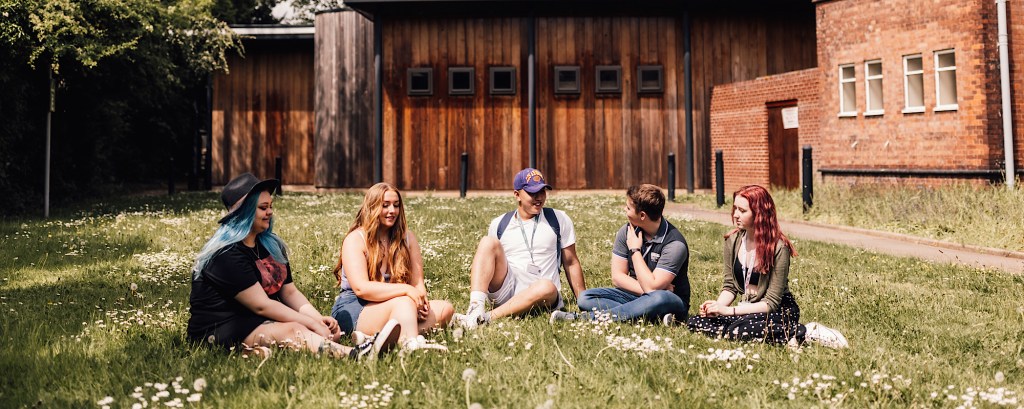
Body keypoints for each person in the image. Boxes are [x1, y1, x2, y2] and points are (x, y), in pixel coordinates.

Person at [187, 173, 400, 360]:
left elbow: (289, 291)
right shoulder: (226, 254)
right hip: (218, 328)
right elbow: (262, 305)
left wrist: (318, 319)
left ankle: (251, 352)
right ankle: (356, 355)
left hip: (256, 321)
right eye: (263, 208)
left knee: (326, 331)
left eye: (271, 206)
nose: (270, 212)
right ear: (244, 213)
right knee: (295, 330)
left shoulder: (269, 246)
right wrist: (309, 324)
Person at [686, 185, 847, 348]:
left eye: (742, 211)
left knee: (741, 329)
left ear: (758, 214)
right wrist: (717, 307)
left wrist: (729, 312)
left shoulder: (778, 247)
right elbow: (730, 286)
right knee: (696, 322)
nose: (735, 215)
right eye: (735, 208)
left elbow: (771, 302)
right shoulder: (732, 241)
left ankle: (806, 331)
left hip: (777, 311)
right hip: (747, 308)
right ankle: (783, 336)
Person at [453, 168, 587, 329]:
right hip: (508, 285)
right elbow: (488, 262)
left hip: (543, 291)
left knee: (546, 286)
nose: (539, 198)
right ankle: (475, 307)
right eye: (532, 193)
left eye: (542, 191)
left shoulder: (558, 219)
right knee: (487, 242)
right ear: (517, 195)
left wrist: (583, 303)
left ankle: (483, 319)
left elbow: (571, 262)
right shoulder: (500, 223)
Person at [330, 183, 454, 353]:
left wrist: (419, 305)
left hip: (396, 304)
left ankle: (374, 339)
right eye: (385, 205)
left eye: (396, 205)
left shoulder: (407, 238)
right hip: (357, 307)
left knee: (445, 309)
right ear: (373, 207)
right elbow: (361, 289)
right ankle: (410, 345)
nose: (392, 211)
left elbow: (417, 284)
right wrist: (406, 291)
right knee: (404, 302)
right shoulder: (355, 239)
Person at [550, 184, 689, 324]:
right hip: (636, 294)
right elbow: (617, 277)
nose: (625, 210)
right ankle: (649, 316)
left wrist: (635, 250)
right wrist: (652, 291)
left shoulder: (675, 244)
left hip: (671, 300)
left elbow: (652, 289)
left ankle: (583, 318)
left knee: (659, 298)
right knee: (585, 298)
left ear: (642, 215)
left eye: (628, 208)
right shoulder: (626, 231)